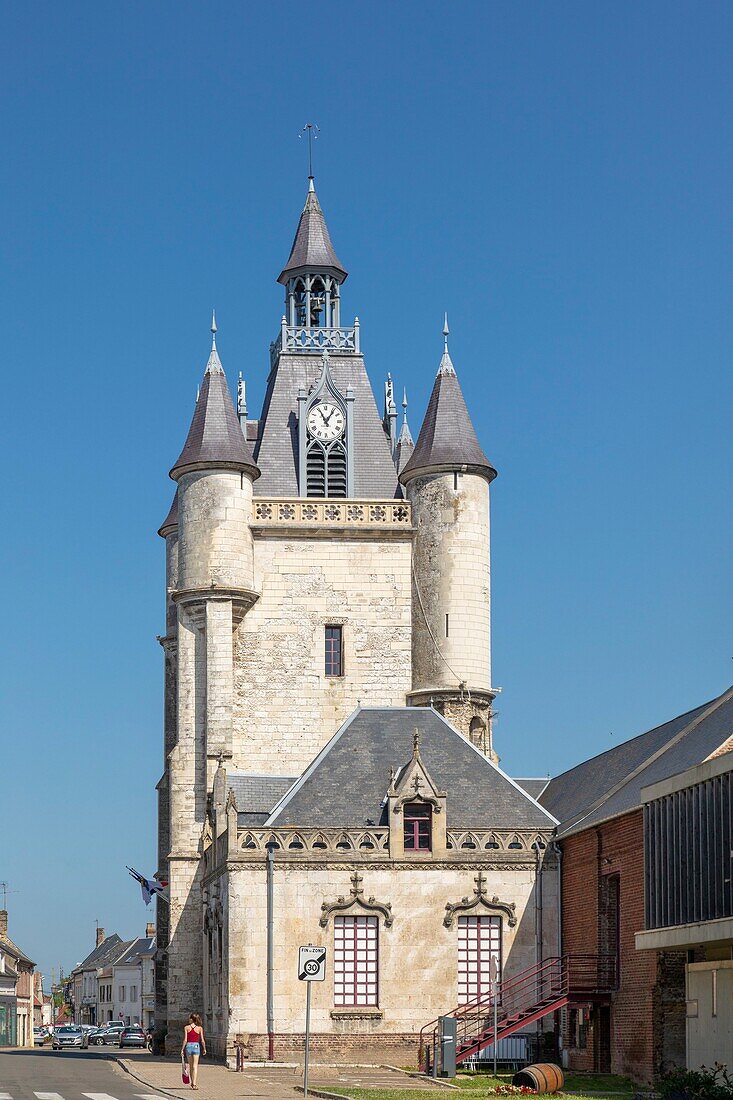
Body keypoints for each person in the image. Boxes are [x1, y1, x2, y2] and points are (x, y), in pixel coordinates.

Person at [182, 1013, 206, 1090]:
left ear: (192, 1019)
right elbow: (202, 1040)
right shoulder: (199, 1028)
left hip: (188, 1046)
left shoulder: (186, 1028)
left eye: (190, 1018)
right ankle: (194, 1084)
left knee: (190, 1065)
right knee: (195, 1066)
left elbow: (185, 1039)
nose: (189, 1019)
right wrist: (204, 1048)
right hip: (196, 1046)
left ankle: (192, 1083)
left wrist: (182, 1049)